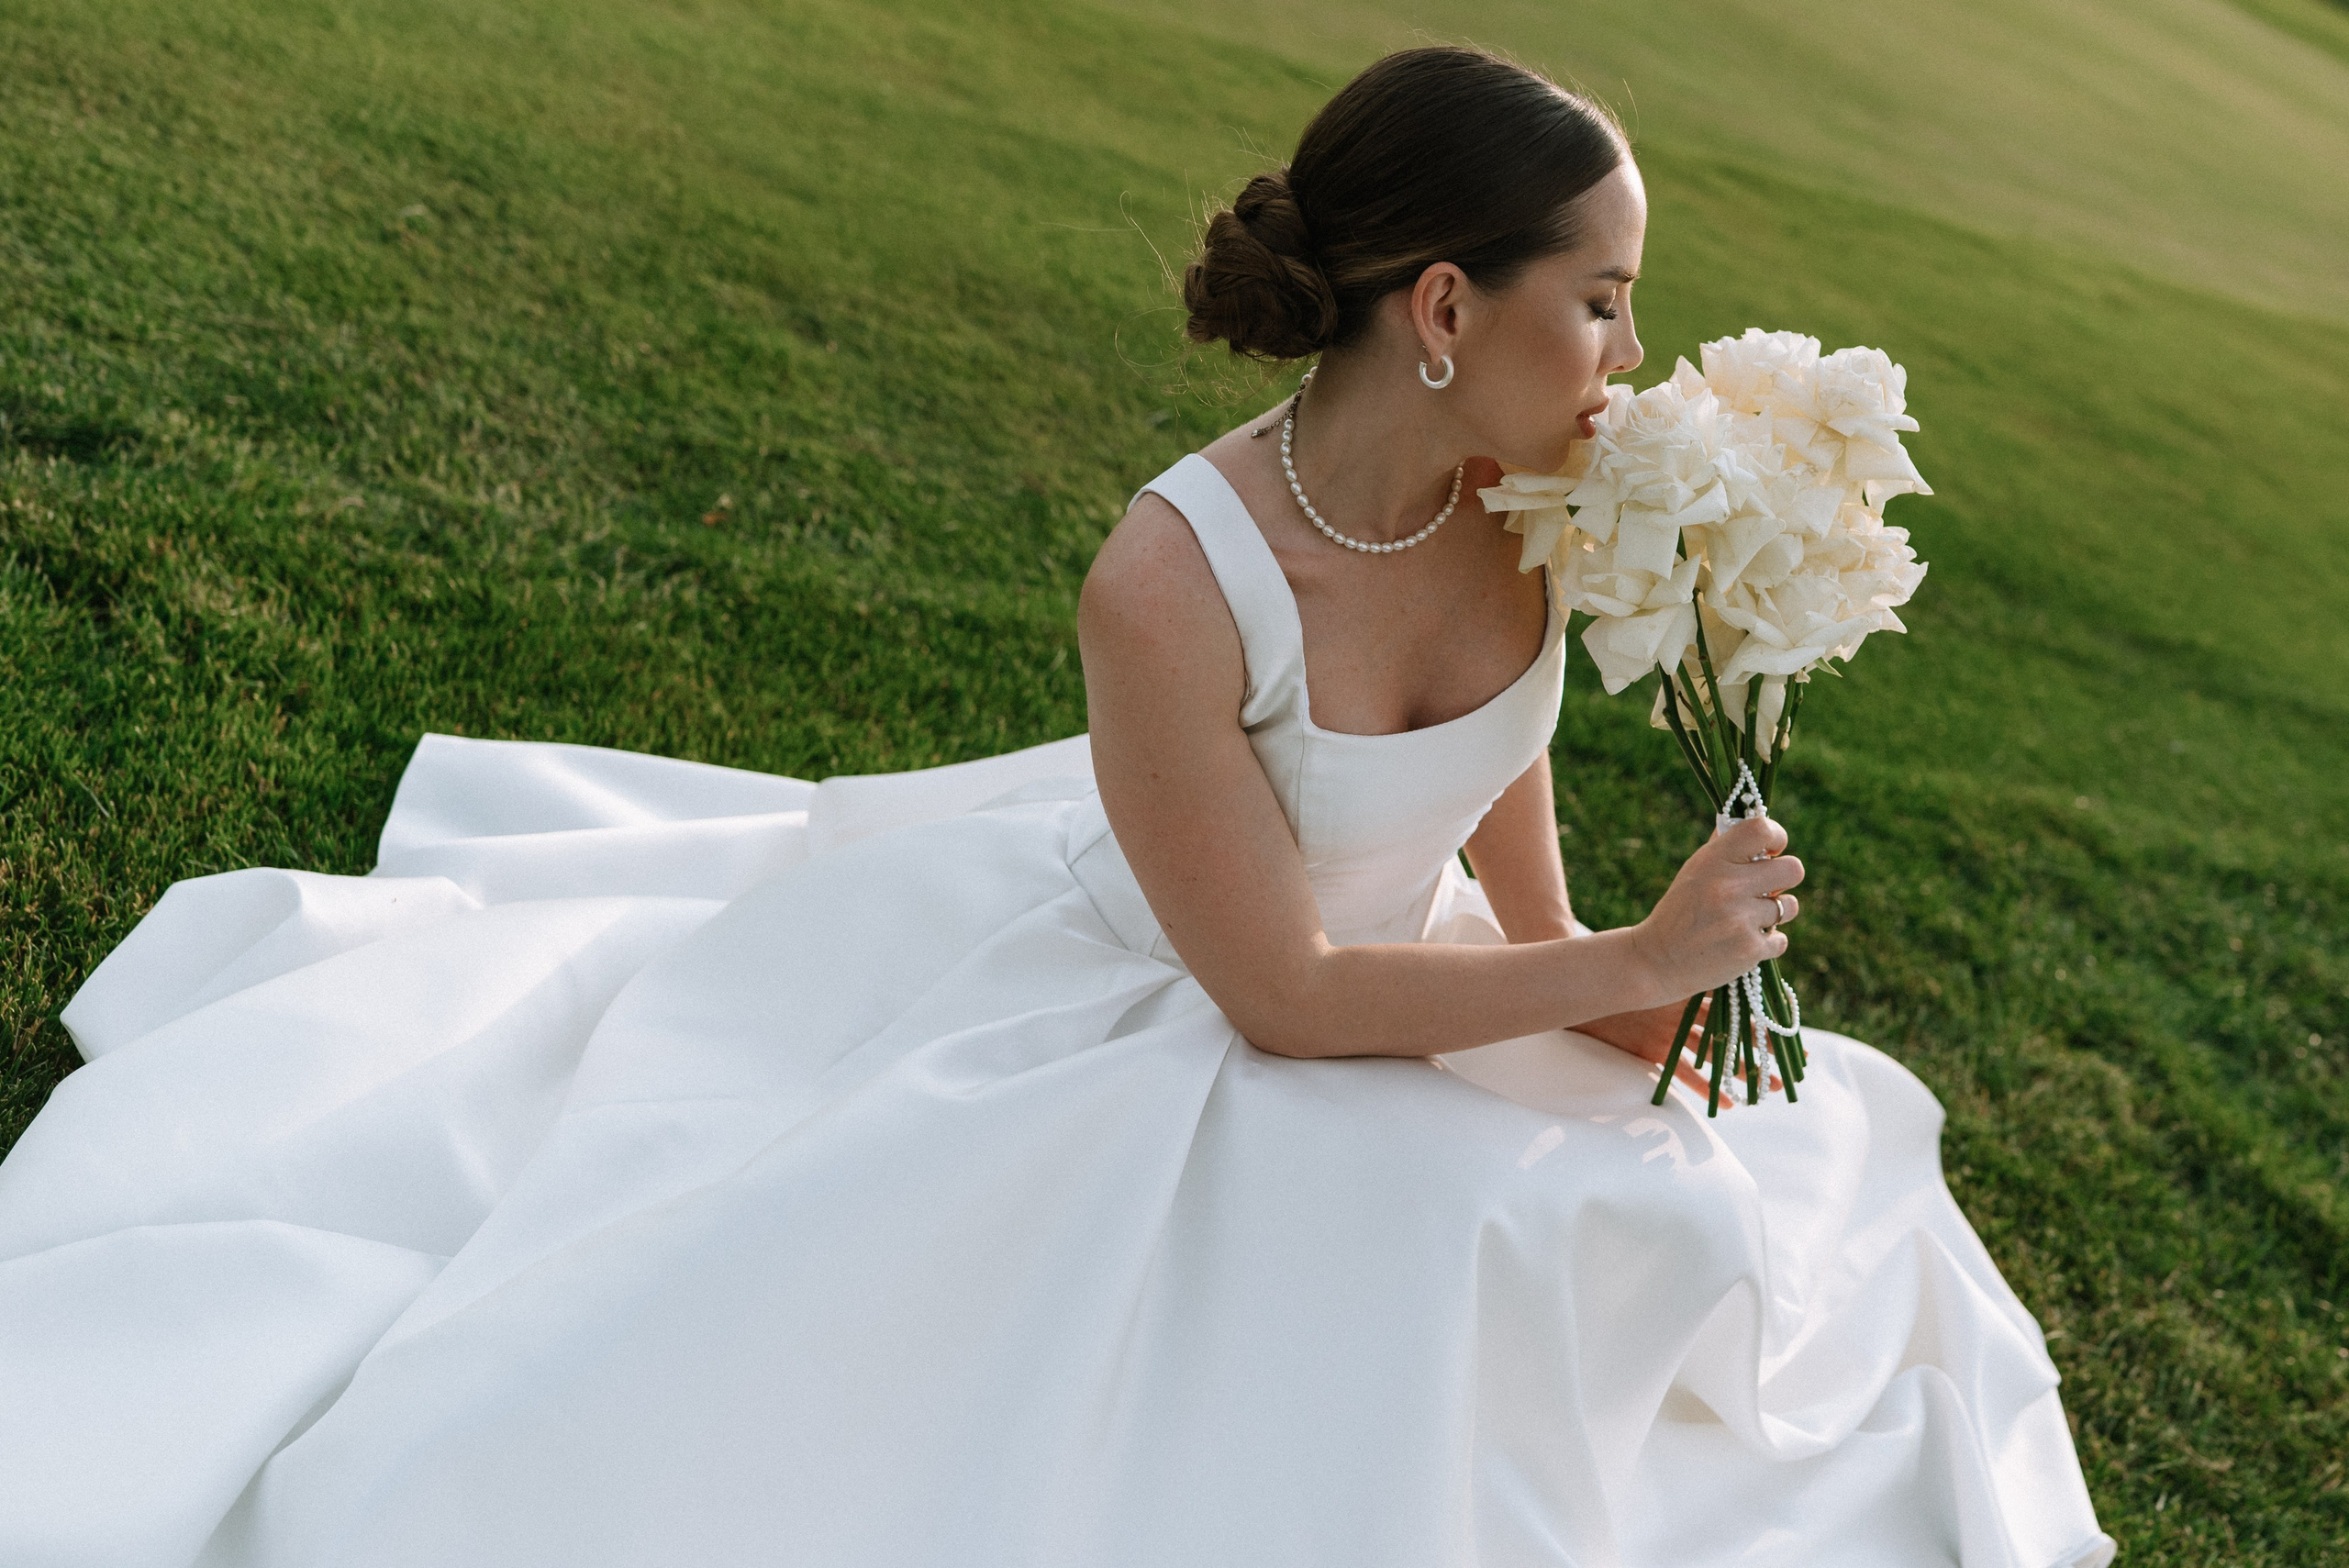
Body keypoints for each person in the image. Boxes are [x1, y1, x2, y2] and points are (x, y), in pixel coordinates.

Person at [0, 45, 2113, 1568]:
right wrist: (1628, 965)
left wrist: (1655, 1002)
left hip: (1400, 993)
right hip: (1182, 1013)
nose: (1629, 355)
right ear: (1448, 307)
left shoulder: (1534, 516)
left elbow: (1509, 889)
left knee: (1705, 1172)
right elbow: (1279, 990)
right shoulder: (1168, 577)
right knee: (1393, 1260)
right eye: (1602, 299)